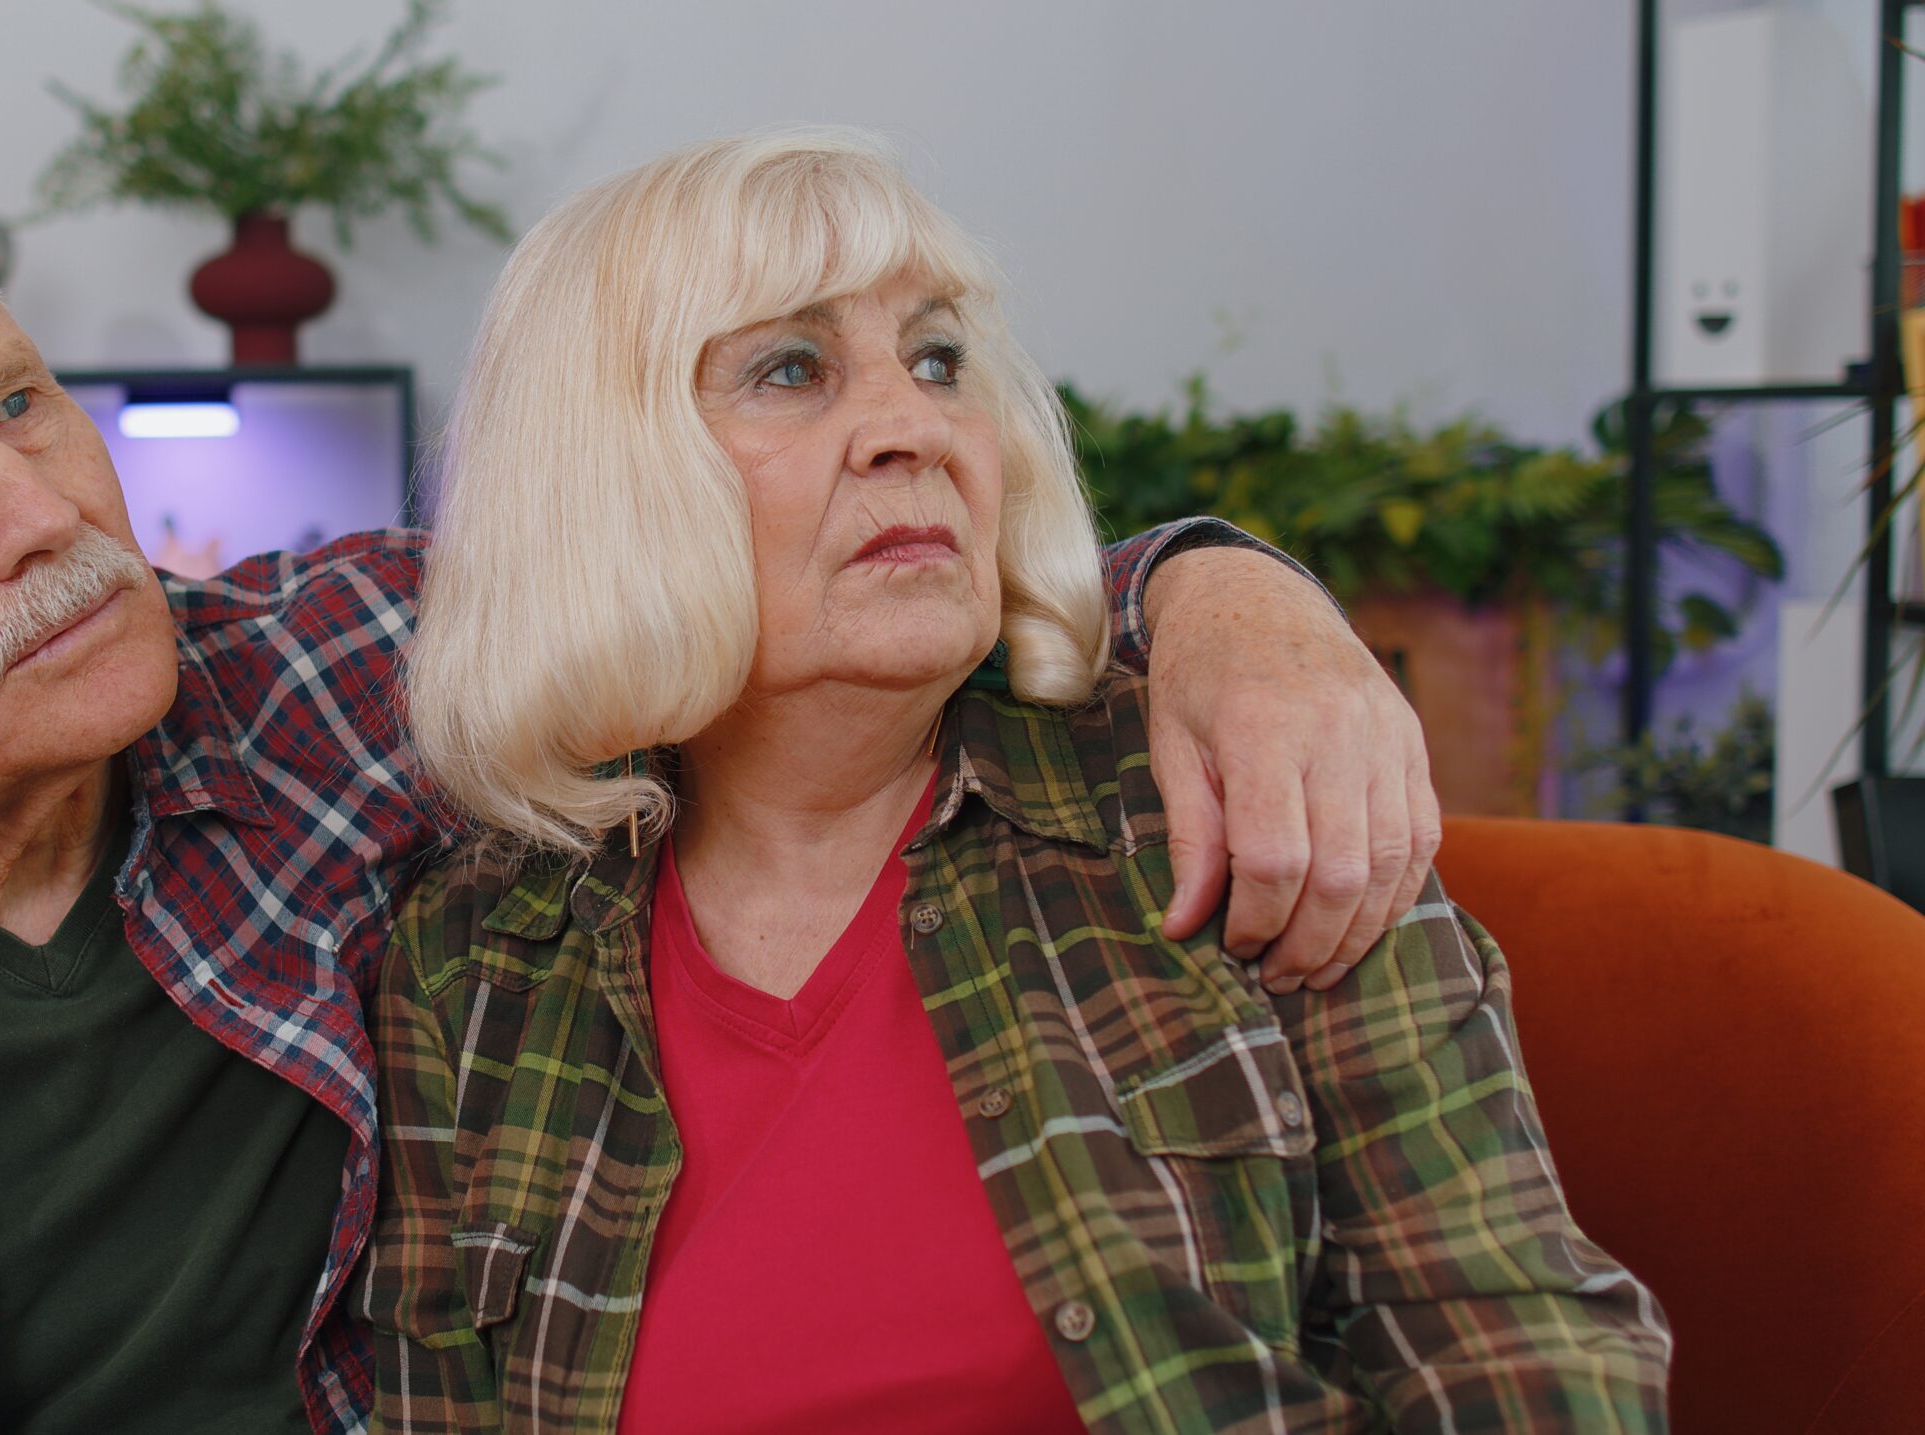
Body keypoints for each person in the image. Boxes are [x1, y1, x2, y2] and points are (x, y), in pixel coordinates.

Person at [0, 169, 1433, 1435]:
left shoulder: (346, 674)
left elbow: (792, 559)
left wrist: (1218, 590)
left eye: (18, 401)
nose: (45, 514)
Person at [365, 130, 1670, 1434]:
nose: (914, 426)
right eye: (792, 369)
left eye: (937, 359)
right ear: (602, 475)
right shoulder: (474, 956)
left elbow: (1524, 1366)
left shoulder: (1229, 799)